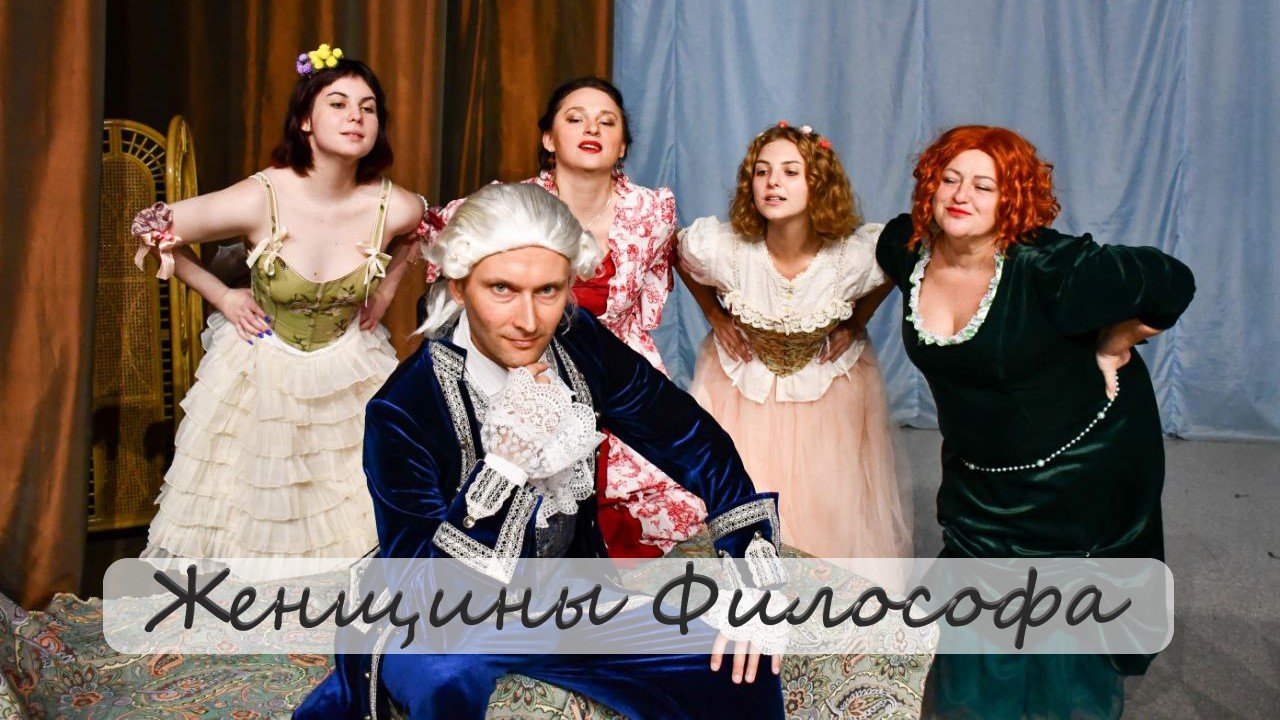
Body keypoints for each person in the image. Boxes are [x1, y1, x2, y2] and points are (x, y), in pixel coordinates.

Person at [295, 183, 786, 719]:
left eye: (548, 290)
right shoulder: (403, 410)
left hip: (565, 604)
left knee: (740, 670)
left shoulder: (579, 342)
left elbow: (693, 440)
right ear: (458, 287)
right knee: (444, 678)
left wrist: (753, 580)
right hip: (435, 616)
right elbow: (427, 596)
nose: (528, 321)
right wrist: (505, 464)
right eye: (502, 289)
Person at [872, 125, 1195, 718]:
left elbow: (1174, 282)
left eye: (984, 185)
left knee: (1060, 629)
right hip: (979, 474)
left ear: (1011, 199)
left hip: (1075, 469)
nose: (960, 195)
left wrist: (1116, 339)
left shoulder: (1052, 268)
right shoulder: (906, 248)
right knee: (976, 626)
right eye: (949, 179)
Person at [131, 45, 429, 564]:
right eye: (338, 104)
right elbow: (151, 227)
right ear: (305, 121)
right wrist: (222, 294)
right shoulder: (260, 196)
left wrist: (384, 291)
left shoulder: (395, 205)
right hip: (263, 366)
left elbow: (424, 230)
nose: (356, 117)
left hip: (350, 366)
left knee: (356, 510)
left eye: (368, 107)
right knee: (258, 516)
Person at [422, 76, 705, 558]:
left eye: (607, 122)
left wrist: (720, 319)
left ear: (622, 146)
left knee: (667, 499)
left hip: (616, 371)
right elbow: (439, 240)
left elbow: (663, 279)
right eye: (575, 119)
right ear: (549, 139)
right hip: (527, 369)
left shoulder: (650, 212)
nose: (591, 128)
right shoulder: (511, 205)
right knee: (515, 508)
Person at [677, 122, 912, 566]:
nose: (773, 183)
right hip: (742, 389)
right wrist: (714, 314)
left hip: (824, 390)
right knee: (741, 488)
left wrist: (856, 322)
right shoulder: (728, 249)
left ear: (817, 183)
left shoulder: (849, 256)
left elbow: (892, 265)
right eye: (762, 172)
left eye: (790, 172)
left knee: (825, 500)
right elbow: (681, 254)